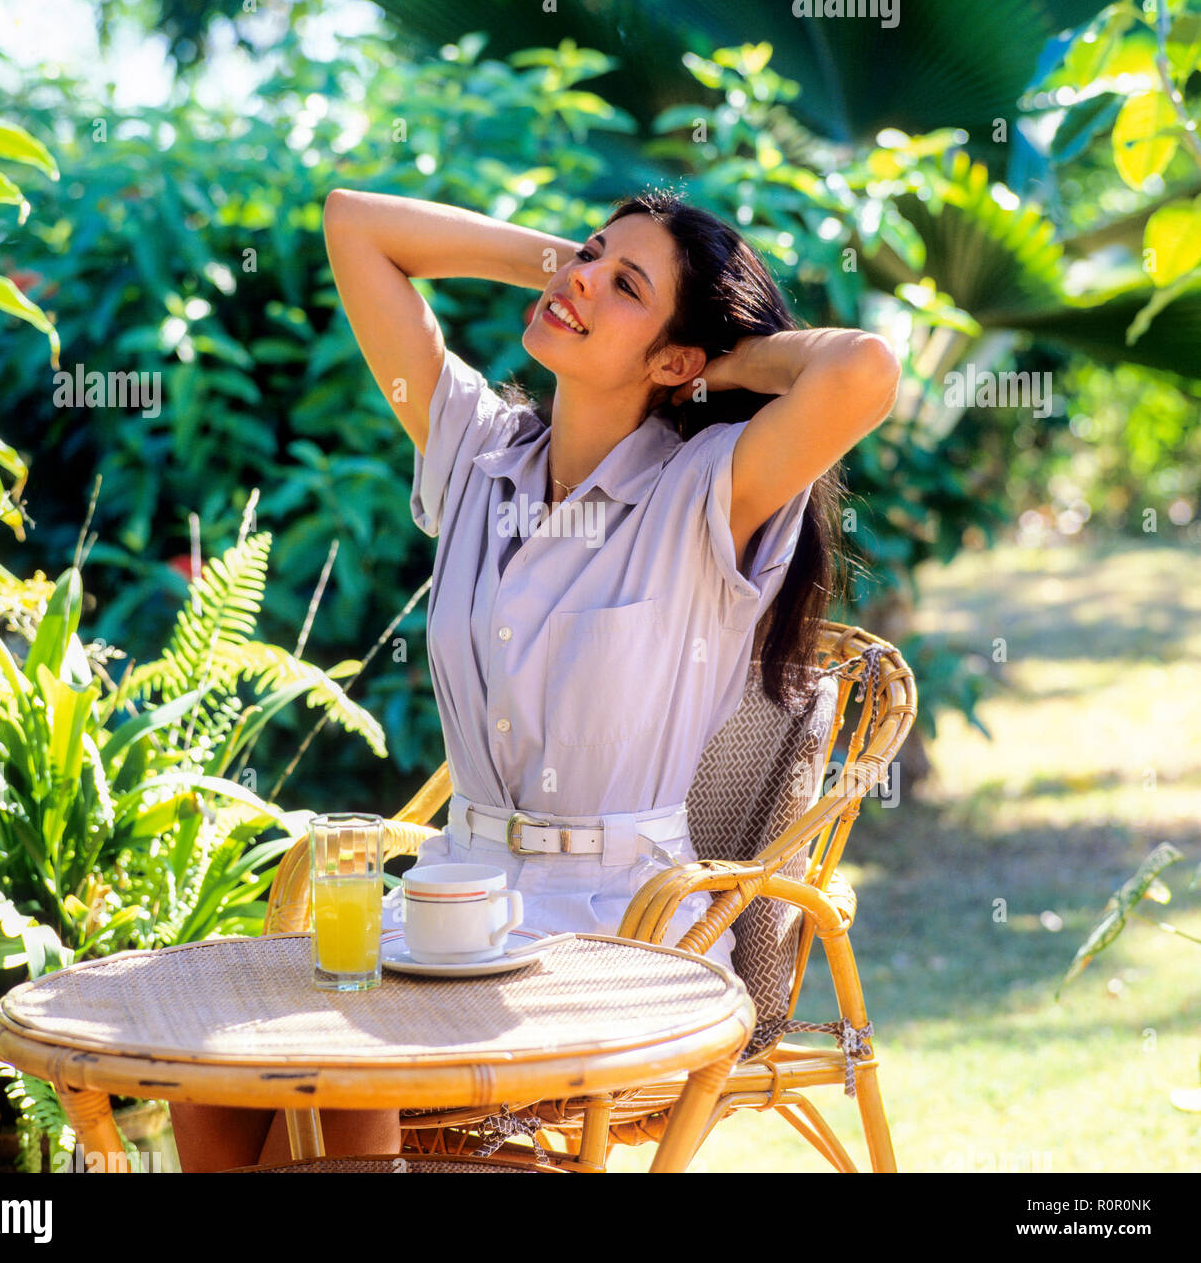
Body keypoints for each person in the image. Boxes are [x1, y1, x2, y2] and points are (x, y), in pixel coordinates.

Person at [170, 184, 899, 1170]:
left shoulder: (704, 494)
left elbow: (863, 370)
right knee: (211, 1081)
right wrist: (572, 275)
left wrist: (718, 360)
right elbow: (354, 225)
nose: (585, 277)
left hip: (618, 929)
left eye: (627, 284)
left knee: (347, 1071)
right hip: (448, 899)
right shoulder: (479, 454)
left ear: (676, 359)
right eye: (589, 252)